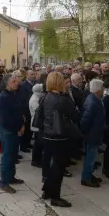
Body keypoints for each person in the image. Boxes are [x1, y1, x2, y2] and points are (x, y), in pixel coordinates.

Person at [39, 72, 78, 207]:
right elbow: (75, 115)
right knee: (58, 167)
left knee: (55, 165)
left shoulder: (45, 97)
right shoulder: (63, 99)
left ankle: (47, 191)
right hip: (60, 136)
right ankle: (55, 197)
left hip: (47, 135)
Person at [0, 75, 25, 193]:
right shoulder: (3, 97)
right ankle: (3, 182)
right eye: (13, 81)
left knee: (13, 155)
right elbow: (6, 119)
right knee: (7, 156)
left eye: (16, 80)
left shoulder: (15, 94)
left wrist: (22, 125)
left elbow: (20, 112)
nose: (16, 82)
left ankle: (11, 177)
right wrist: (17, 129)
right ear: (7, 84)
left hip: (16, 129)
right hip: (8, 130)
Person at [80, 79, 106, 187]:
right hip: (92, 134)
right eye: (102, 88)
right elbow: (86, 120)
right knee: (90, 157)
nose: (103, 90)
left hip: (95, 132)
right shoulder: (93, 101)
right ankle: (86, 178)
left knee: (92, 157)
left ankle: (89, 174)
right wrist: (85, 132)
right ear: (98, 90)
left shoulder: (95, 99)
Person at [19, 69, 36, 152]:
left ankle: (28, 143)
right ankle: (23, 146)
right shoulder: (23, 85)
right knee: (25, 129)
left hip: (32, 109)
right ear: (27, 75)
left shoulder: (34, 84)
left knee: (30, 129)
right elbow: (23, 99)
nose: (33, 76)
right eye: (31, 74)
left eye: (34, 74)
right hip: (26, 110)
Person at [29, 83, 45, 167]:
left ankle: (38, 159)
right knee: (38, 144)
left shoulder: (37, 97)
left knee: (38, 143)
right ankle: (36, 160)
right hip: (36, 124)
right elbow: (39, 112)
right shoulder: (35, 100)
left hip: (38, 123)